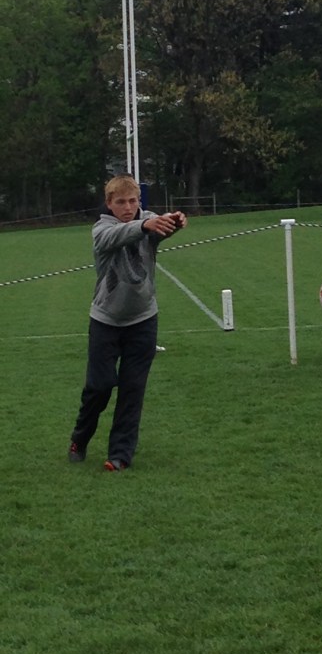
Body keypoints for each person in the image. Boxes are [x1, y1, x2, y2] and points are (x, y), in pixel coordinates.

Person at [68, 175, 187, 471]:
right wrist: (145, 225)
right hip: (105, 321)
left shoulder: (148, 220)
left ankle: (120, 455)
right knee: (100, 386)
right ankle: (80, 439)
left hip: (143, 320)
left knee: (133, 388)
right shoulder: (101, 229)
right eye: (121, 202)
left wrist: (174, 221)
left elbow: (158, 227)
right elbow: (120, 236)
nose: (128, 207)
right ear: (109, 204)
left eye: (133, 201)